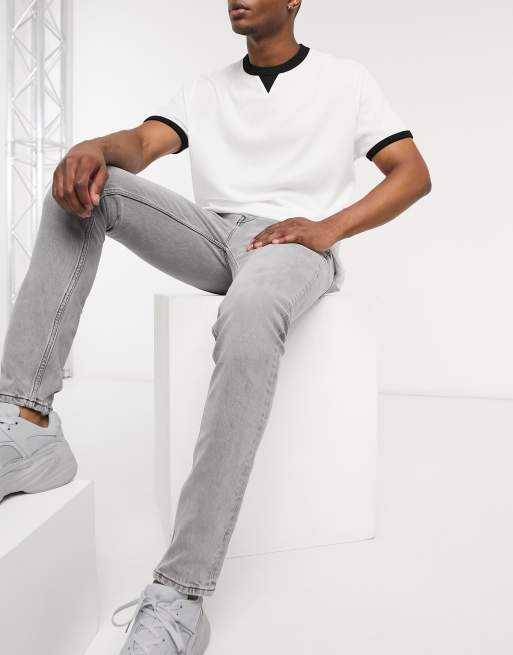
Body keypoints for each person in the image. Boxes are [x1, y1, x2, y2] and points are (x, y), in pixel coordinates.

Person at [0, 0, 431, 653]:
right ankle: (28, 423)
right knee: (88, 186)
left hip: (292, 243)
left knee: (249, 312)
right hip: (211, 234)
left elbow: (412, 173)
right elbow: (141, 145)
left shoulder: (346, 80)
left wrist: (328, 228)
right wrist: (93, 148)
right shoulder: (206, 87)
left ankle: (180, 594)